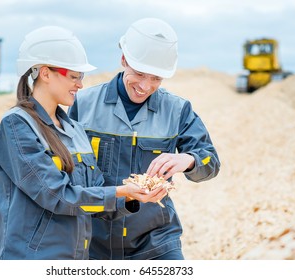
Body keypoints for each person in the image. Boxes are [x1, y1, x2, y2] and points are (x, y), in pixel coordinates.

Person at [0, 26, 166, 260]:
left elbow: (93, 197)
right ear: (45, 73)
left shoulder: (74, 130)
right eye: (74, 76)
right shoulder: (17, 126)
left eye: (80, 78)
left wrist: (132, 196)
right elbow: (57, 195)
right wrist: (119, 191)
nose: (80, 85)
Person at [68, 18, 221, 260]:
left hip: (157, 243)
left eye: (156, 78)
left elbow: (211, 163)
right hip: (93, 243)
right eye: (139, 74)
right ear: (123, 60)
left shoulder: (178, 110)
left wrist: (188, 160)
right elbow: (67, 176)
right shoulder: (83, 105)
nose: (145, 86)